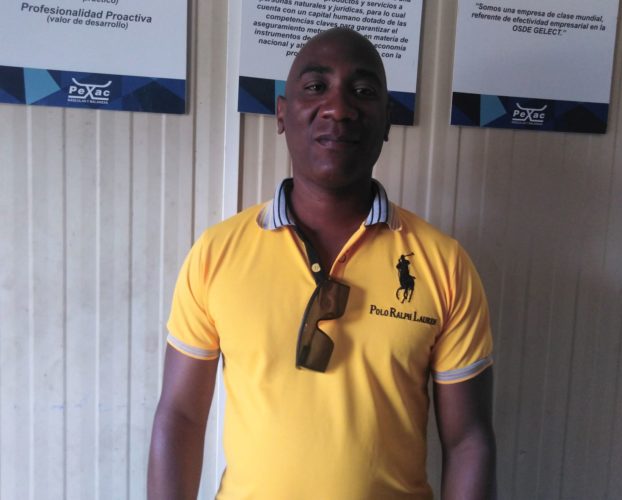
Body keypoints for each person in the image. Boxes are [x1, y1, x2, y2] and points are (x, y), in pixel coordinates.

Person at [148, 27, 495, 500]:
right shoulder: (216, 254)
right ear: (282, 114)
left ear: (387, 121)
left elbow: (469, 440)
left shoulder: (444, 264)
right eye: (316, 87)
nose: (339, 108)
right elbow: (180, 417)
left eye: (363, 91)